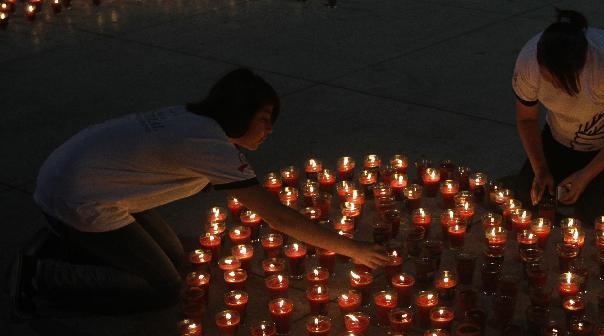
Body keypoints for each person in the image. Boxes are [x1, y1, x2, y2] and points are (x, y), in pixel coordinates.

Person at [9, 68, 388, 317]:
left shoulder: (193, 122)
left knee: (176, 257)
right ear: (239, 113)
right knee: (163, 288)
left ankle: (70, 242)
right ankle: (41, 273)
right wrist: (352, 248)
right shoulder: (208, 144)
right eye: (264, 120)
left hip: (87, 183)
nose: (270, 130)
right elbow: (279, 217)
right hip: (78, 199)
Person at [512, 9, 604, 223]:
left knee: (598, 215)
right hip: (561, 136)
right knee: (525, 199)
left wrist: (585, 176)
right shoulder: (529, 63)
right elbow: (526, 119)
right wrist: (540, 169)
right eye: (551, 80)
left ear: (582, 64)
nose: (557, 88)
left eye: (564, 81)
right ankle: (584, 171)